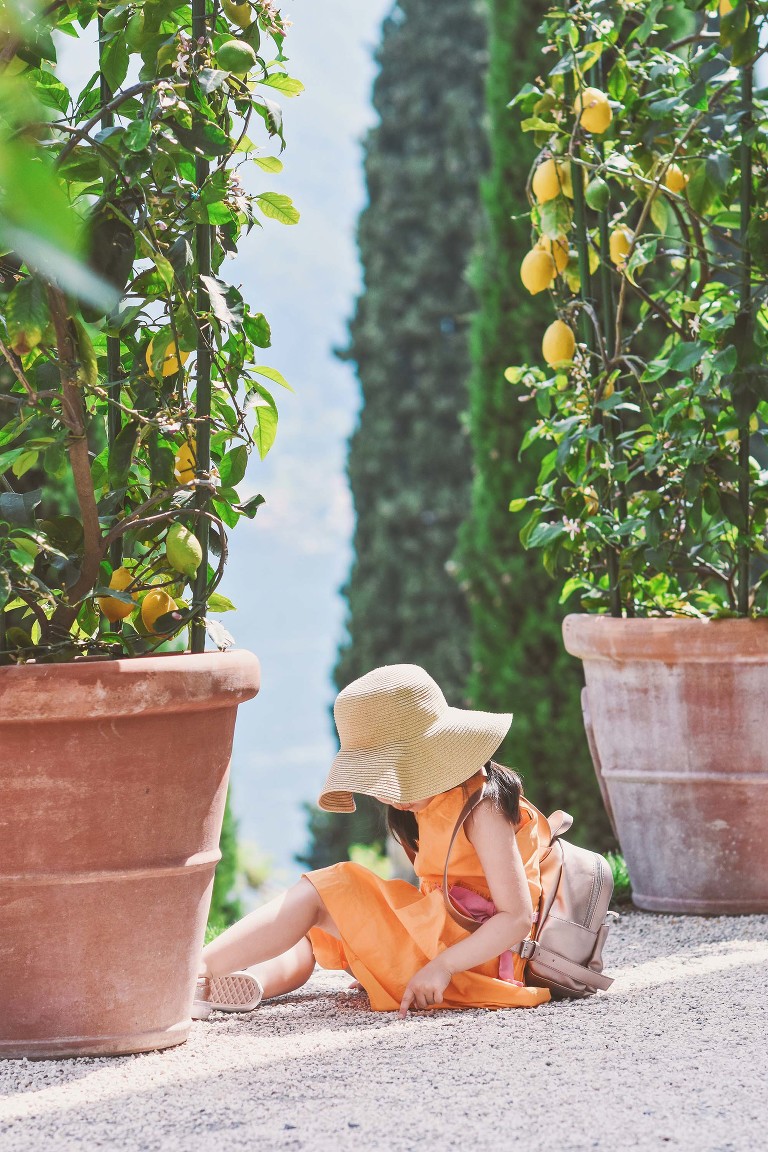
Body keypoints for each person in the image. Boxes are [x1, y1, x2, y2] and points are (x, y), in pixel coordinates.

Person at [193, 664, 551, 1019]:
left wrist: (441, 967)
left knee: (326, 888)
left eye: (395, 775)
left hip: (471, 963)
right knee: (310, 927)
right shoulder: (433, 803)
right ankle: (245, 981)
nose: (389, 796)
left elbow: (516, 918)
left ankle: (193, 971)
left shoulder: (483, 805)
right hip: (444, 948)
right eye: (379, 780)